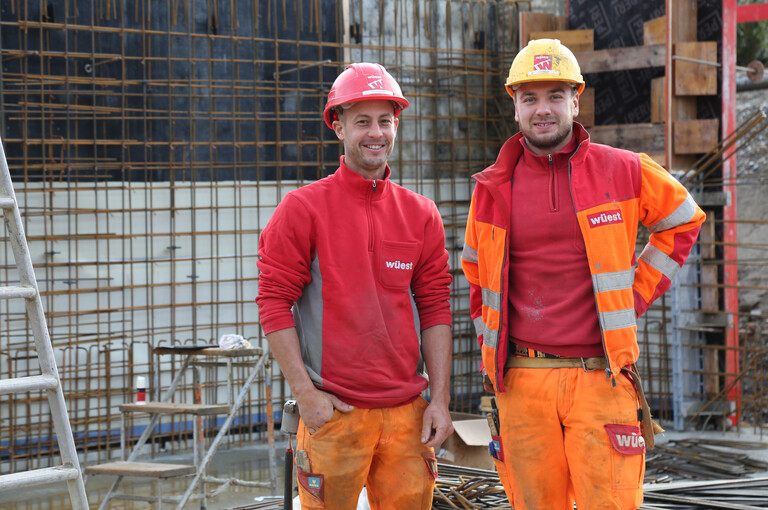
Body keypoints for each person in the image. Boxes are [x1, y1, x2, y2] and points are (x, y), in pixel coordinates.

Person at [461, 39, 705, 510]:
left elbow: (684, 218)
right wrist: (492, 352)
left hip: (601, 380)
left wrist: (631, 297)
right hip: (522, 382)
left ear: (576, 100)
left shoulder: (623, 170)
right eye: (530, 98)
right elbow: (476, 277)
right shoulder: (492, 188)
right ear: (515, 108)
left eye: (555, 96)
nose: (543, 110)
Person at [255, 62, 454, 510]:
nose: (375, 133)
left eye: (385, 120)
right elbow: (273, 303)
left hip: (408, 416)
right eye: (362, 121)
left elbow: (437, 308)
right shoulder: (303, 209)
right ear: (338, 126)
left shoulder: (421, 214)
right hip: (335, 415)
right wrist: (307, 396)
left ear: (396, 125)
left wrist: (438, 400)